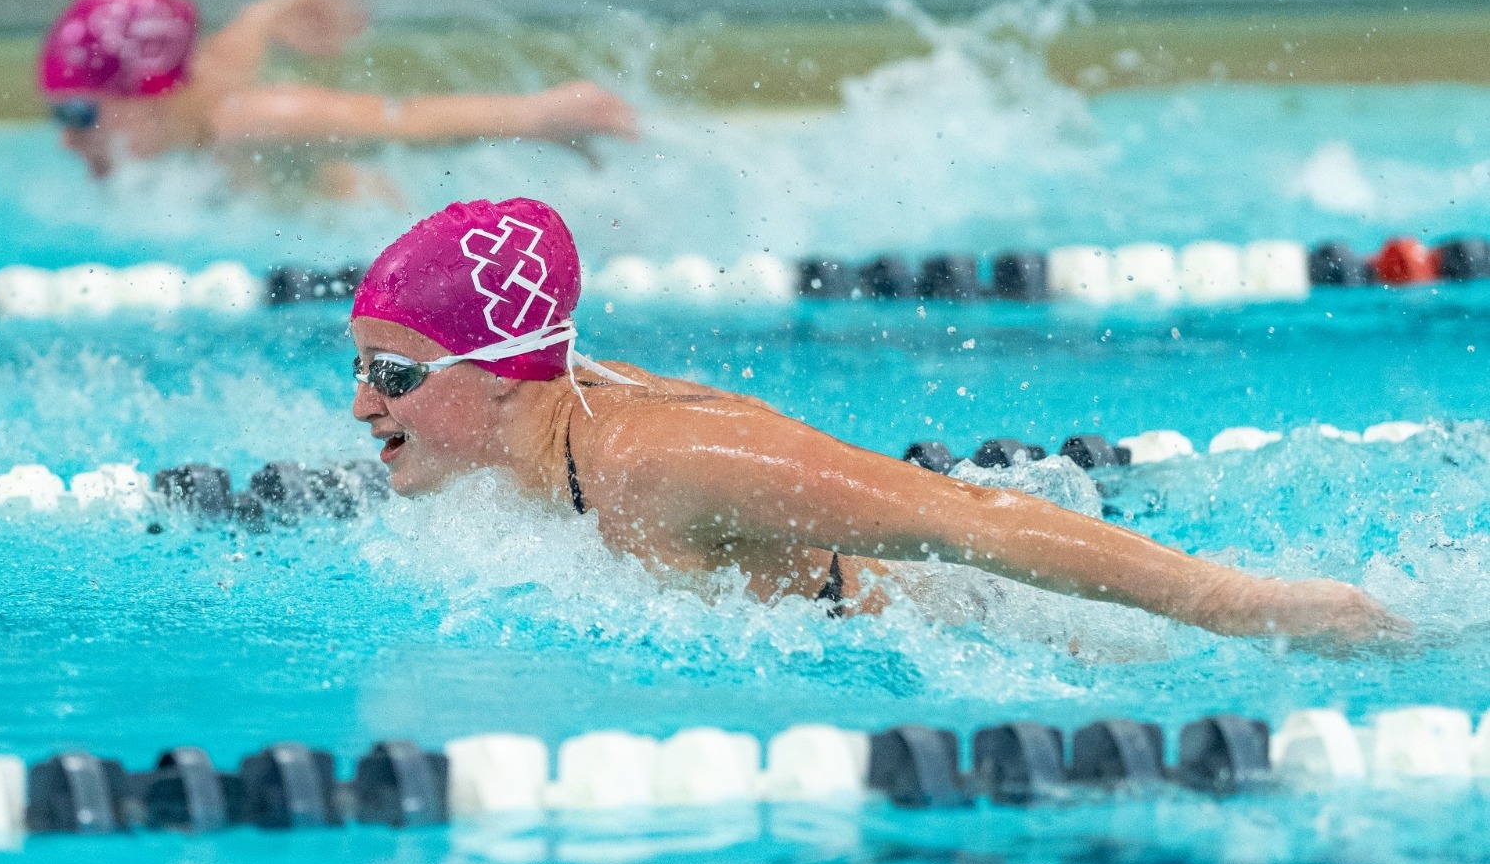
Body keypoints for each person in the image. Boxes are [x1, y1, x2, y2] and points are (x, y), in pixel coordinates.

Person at [348, 197, 1412, 648]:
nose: (361, 405)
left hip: (1003, 624)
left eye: (392, 373)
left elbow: (971, 521)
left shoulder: (657, 462)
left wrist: (1247, 604)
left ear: (499, 374)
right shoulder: (545, 417)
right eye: (358, 369)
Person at [36, 0, 637, 196]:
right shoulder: (202, 85)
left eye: (80, 116)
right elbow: (237, 41)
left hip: (370, 225)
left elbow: (400, 122)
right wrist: (281, 7)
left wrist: (538, 116)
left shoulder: (257, 125)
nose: (65, 140)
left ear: (153, 92)